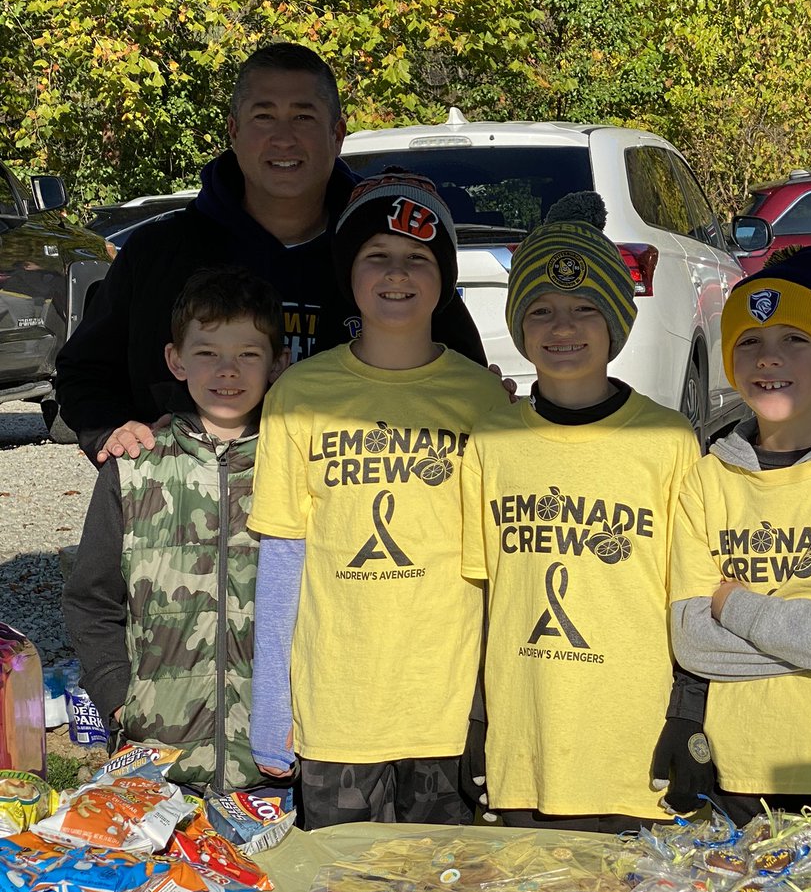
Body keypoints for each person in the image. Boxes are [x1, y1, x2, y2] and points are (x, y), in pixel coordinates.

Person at [55, 42, 485, 466]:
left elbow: (459, 371)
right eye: (263, 116)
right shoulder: (159, 252)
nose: (283, 138)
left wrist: (483, 399)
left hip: (348, 509)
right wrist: (111, 428)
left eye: (303, 116)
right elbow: (83, 369)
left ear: (337, 134)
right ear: (234, 131)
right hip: (192, 513)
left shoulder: (386, 257)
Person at [247, 170, 507, 829]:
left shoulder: (481, 399)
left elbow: (498, 570)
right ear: (347, 271)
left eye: (418, 258)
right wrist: (273, 706)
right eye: (376, 257)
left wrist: (498, 701)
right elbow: (283, 559)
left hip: (447, 713)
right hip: (338, 711)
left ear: (444, 277)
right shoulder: (300, 396)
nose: (398, 274)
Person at [460, 192, 699, 833]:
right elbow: (480, 595)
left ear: (618, 321)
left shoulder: (668, 441)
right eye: (541, 310)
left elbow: (691, 594)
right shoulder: (491, 440)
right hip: (523, 748)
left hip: (631, 750)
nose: (562, 328)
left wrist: (689, 713)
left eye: (585, 308)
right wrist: (477, 719)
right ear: (518, 326)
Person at [668, 246, 811, 826]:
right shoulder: (706, 480)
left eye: (795, 339)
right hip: (744, 771)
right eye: (749, 342)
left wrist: (733, 604)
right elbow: (692, 642)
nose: (768, 360)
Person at [62, 265, 288, 794]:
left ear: (278, 363)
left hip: (274, 764)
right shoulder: (134, 466)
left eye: (248, 355)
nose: (227, 371)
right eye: (207, 352)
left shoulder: (298, 465)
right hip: (156, 761)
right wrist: (120, 699)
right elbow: (91, 599)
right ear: (176, 360)